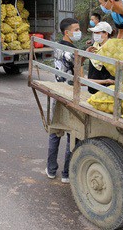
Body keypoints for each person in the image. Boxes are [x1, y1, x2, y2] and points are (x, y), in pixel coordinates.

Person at [45, 18, 80, 183]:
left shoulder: (58, 46)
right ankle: (66, 173)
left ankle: (51, 170)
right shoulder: (72, 51)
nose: (78, 32)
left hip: (58, 92)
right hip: (70, 94)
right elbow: (79, 72)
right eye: (76, 29)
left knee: (55, 132)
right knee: (72, 134)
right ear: (67, 32)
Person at [85, 21, 115, 94]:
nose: (95, 35)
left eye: (97, 33)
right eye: (94, 33)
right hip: (93, 81)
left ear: (106, 34)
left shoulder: (112, 47)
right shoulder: (95, 45)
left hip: (104, 86)